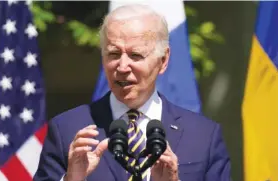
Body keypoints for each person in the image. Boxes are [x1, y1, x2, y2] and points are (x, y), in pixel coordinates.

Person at [33, 4, 231, 181]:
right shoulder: (67, 130)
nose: (122, 66)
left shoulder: (204, 136)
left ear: (163, 61)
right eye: (114, 54)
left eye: (135, 55)